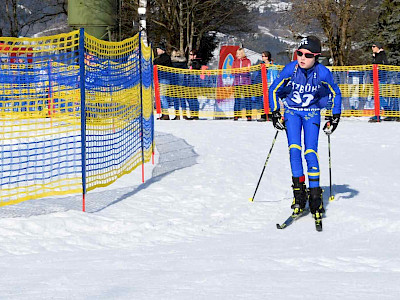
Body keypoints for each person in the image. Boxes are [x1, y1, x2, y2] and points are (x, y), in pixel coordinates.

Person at [268, 36, 342, 226]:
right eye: (299, 53)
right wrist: (275, 113)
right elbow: (273, 89)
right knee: (294, 150)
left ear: (316, 57)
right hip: (292, 113)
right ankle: (299, 195)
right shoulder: (290, 69)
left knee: (310, 152)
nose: (302, 58)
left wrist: (334, 116)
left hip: (311, 113)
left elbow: (335, 92)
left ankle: (315, 197)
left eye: (307, 55)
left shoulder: (323, 73)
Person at [232, 48, 252, 121]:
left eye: (239, 54)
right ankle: (236, 115)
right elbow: (232, 71)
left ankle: (249, 115)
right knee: (237, 100)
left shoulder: (247, 61)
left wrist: (242, 71)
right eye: (237, 54)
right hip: (237, 83)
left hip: (246, 83)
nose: (238, 55)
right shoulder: (235, 62)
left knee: (247, 99)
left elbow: (248, 70)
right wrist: (237, 71)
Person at [153, 42, 172, 120]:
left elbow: (159, 63)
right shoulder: (159, 58)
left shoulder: (165, 57)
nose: (157, 51)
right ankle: (163, 113)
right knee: (160, 97)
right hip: (159, 79)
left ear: (163, 50)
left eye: (158, 49)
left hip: (164, 79)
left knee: (162, 96)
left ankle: (166, 114)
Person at [171, 49, 189, 120]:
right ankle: (184, 114)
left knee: (176, 98)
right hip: (182, 82)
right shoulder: (184, 62)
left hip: (175, 81)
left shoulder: (172, 62)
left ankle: (177, 115)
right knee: (182, 98)